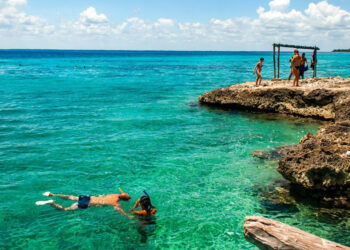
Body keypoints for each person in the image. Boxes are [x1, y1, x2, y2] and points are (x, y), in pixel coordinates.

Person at [36, 190, 131, 216]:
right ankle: (51, 203)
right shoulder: (116, 203)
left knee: (71, 197)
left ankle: (53, 195)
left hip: (87, 197)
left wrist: (125, 196)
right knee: (66, 209)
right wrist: (127, 215)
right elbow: (121, 212)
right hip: (87, 204)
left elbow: (122, 195)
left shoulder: (113, 195)